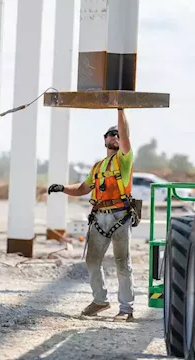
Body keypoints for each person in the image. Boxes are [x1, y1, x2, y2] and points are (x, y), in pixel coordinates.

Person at [47, 109, 136, 322]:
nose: (114, 136)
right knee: (92, 261)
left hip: (119, 216)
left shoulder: (124, 160)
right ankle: (100, 300)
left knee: (122, 262)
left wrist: (120, 109)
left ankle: (126, 308)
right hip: (99, 217)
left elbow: (124, 134)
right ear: (104, 140)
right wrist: (62, 188)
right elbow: (83, 188)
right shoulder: (97, 167)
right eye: (110, 134)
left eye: (117, 134)